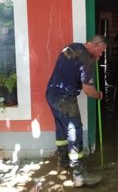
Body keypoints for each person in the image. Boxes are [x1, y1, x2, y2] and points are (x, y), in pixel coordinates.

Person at [45, 35, 107, 187]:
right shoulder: (86, 61)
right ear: (95, 44)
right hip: (65, 100)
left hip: (51, 94)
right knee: (75, 131)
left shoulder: (72, 47)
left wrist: (92, 60)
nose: (101, 55)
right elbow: (88, 90)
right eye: (101, 51)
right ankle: (79, 175)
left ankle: (62, 163)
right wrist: (99, 95)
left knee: (61, 129)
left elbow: (69, 66)